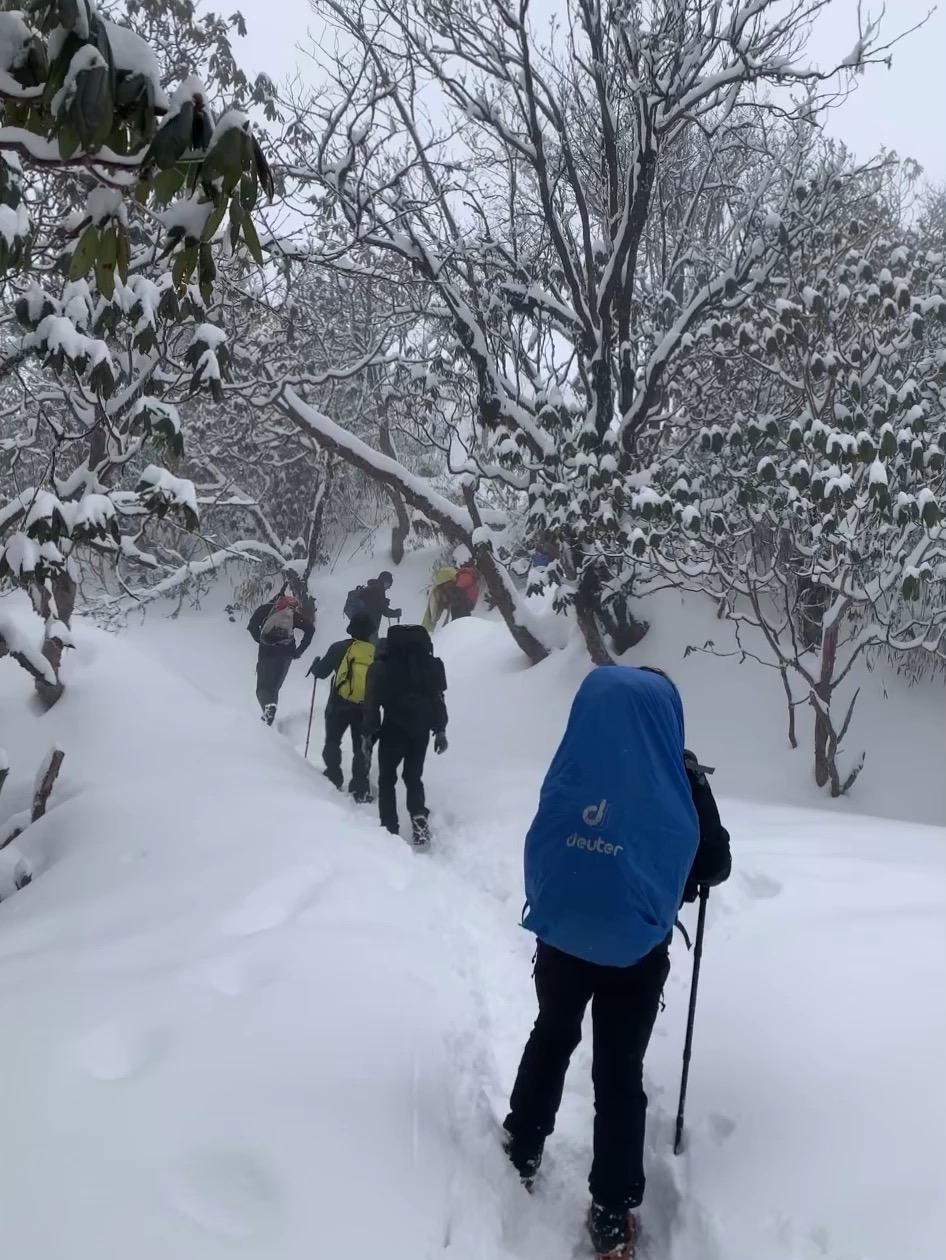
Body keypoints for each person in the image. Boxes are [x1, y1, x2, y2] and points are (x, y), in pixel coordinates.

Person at [502, 666, 731, 1260]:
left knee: (552, 1034)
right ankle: (610, 1214)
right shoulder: (676, 771)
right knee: (618, 1070)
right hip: (635, 949)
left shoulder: (579, 754)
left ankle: (521, 1151)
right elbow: (713, 863)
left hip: (563, 934)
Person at [362, 624, 448, 848]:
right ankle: (418, 815)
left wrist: (368, 735)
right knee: (413, 777)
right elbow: (437, 698)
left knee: (387, 779)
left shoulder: (381, 667)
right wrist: (440, 731)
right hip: (421, 729)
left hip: (393, 726)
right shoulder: (432, 665)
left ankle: (389, 829)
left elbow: (372, 704)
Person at [306, 612, 375, 802]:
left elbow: (321, 672)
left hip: (339, 705)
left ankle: (333, 777)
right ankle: (360, 788)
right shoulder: (375, 652)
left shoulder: (339, 648)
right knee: (360, 748)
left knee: (333, 742)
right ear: (371, 632)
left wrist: (315, 666)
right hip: (365, 709)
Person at [248, 591, 314, 725]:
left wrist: (260, 640)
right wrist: (299, 651)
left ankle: (268, 714)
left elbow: (252, 625)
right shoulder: (294, 615)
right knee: (273, 688)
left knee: (262, 688)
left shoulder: (265, 610)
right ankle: (269, 716)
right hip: (286, 654)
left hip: (267, 653)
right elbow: (310, 629)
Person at [343, 571, 401, 641]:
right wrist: (395, 613)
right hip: (369, 628)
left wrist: (383, 602)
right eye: (389, 584)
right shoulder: (378, 590)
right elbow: (384, 611)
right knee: (370, 648)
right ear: (385, 582)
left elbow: (373, 606)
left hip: (361, 626)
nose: (388, 587)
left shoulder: (371, 588)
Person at [421, 561, 479, 631]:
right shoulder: (465, 575)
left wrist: (451, 595)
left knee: (459, 619)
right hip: (465, 603)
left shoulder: (466, 575)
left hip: (465, 603)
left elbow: (458, 588)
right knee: (457, 617)